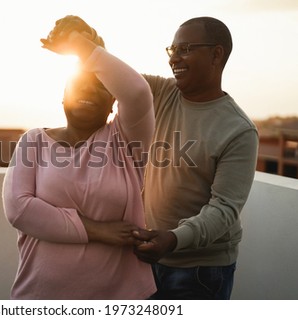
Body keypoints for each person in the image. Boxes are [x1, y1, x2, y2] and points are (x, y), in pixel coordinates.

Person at [2, 15, 156, 299]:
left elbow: (136, 91)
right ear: (63, 96)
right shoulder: (34, 140)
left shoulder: (125, 140)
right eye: (79, 83)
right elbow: (19, 210)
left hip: (120, 298)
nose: (88, 89)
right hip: (41, 297)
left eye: (99, 85)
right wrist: (98, 231)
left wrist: (78, 44)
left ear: (113, 103)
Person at [130, 17, 259, 299]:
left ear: (216, 54)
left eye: (185, 49)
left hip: (201, 272)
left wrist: (173, 239)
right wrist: (86, 45)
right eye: (171, 50)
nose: (174, 58)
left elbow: (224, 209)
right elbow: (117, 78)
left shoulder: (239, 129)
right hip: (149, 260)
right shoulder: (164, 93)